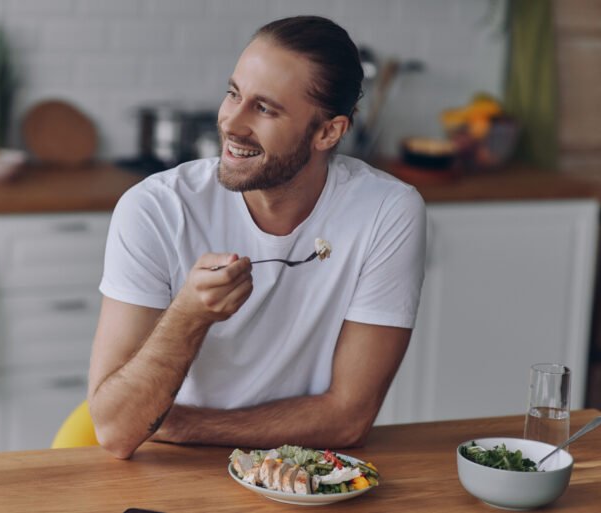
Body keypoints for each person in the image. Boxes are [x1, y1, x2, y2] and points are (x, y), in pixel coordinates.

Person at [87, 15, 426, 459]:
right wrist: (189, 315)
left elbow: (349, 419)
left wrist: (182, 424)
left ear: (329, 131)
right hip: (172, 473)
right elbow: (116, 429)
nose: (231, 123)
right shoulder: (155, 209)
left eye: (264, 109)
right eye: (233, 94)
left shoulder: (386, 212)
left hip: (301, 472)